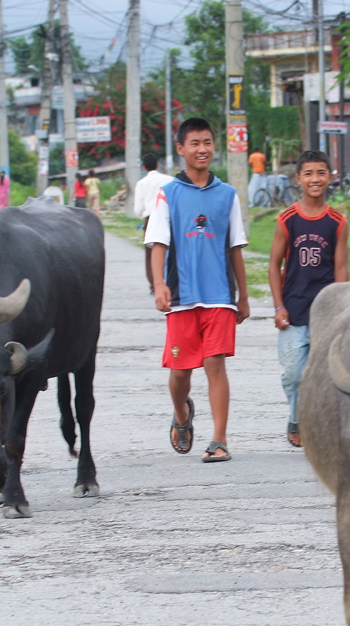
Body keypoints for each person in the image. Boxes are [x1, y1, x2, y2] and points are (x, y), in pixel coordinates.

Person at [144, 117, 250, 463]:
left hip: (219, 295)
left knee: (214, 364)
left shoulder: (227, 196)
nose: (201, 149)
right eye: (194, 143)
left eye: (207, 142)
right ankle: (181, 415)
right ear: (180, 149)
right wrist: (159, 285)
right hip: (181, 298)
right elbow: (158, 243)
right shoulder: (168, 195)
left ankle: (219, 439)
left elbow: (235, 248)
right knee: (180, 373)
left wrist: (243, 297)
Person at [267, 151, 349, 448]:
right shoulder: (287, 220)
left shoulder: (338, 221)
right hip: (294, 309)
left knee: (325, 371)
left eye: (321, 173)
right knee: (294, 374)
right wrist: (278, 306)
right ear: (299, 178)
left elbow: (341, 268)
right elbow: (274, 265)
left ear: (330, 176)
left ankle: (315, 423)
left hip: (325, 310)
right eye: (309, 173)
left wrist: (341, 309)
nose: (316, 179)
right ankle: (296, 414)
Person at [132, 153, 174, 293]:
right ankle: (171, 280)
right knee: (172, 250)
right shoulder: (170, 180)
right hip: (170, 218)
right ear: (158, 165)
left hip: (150, 219)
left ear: (144, 167)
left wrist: (143, 215)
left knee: (151, 253)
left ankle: (154, 285)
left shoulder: (141, 183)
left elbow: (138, 208)